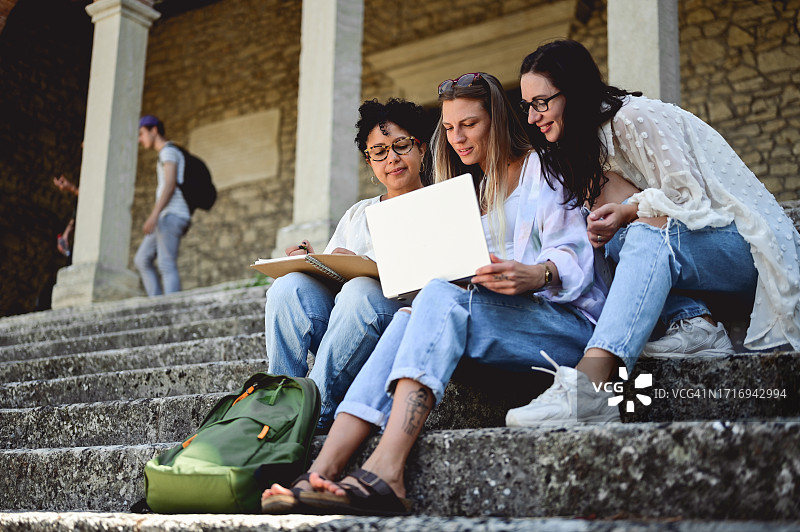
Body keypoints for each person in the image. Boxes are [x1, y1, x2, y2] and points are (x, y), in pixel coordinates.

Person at [260, 72, 608, 516]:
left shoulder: (545, 168)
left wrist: (537, 274)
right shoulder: (477, 191)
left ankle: (387, 471)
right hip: (504, 317)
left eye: (469, 125)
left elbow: (577, 257)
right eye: (448, 128)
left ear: (497, 121)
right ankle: (319, 471)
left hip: (567, 324)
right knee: (412, 313)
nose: (457, 137)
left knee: (433, 299)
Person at [506, 39, 800, 426]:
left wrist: (629, 212)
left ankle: (592, 385)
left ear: (573, 92)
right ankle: (696, 323)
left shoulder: (633, 118)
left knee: (643, 234)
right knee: (613, 240)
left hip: (749, 249)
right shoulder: (587, 143)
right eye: (528, 105)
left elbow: (693, 201)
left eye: (542, 102)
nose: (532, 117)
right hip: (695, 253)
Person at [264, 98, 432, 431]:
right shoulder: (358, 214)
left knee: (359, 290)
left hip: (396, 324)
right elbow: (333, 278)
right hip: (346, 327)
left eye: (401, 145)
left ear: (422, 149)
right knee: (288, 287)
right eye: (379, 152)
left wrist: (366, 268)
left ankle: (314, 412)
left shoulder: (441, 203)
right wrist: (313, 262)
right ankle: (277, 404)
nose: (392, 158)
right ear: (369, 161)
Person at [134, 115, 191, 296]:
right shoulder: (165, 153)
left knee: (166, 263)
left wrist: (154, 215)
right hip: (165, 216)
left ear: (154, 130)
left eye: (142, 133)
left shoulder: (168, 152)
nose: (139, 139)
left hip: (172, 215)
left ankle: (172, 308)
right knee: (142, 259)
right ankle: (157, 303)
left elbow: (170, 184)